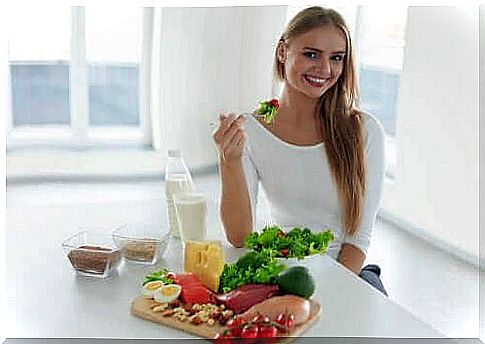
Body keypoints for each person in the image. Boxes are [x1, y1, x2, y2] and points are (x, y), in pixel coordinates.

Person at [212, 6, 387, 296]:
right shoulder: (251, 130)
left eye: (336, 58)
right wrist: (228, 160)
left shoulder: (364, 131)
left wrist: (324, 296)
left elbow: (358, 241)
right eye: (311, 54)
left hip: (347, 275)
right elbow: (239, 236)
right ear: (283, 52)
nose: (325, 69)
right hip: (285, 274)